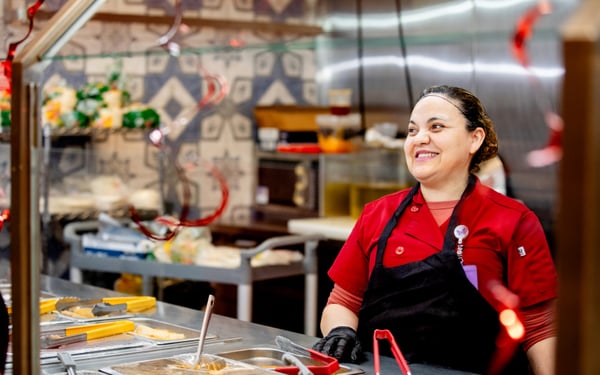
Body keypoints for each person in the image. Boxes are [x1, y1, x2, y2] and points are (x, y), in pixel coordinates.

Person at [312, 85, 557, 375]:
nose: (420, 139)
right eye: (412, 130)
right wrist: (340, 331)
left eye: (436, 127)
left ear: (474, 139)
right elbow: (344, 301)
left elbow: (540, 326)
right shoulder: (377, 213)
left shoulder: (514, 220)